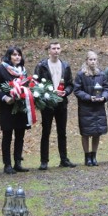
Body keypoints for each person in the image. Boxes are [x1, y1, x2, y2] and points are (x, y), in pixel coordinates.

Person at [33, 41, 76, 170]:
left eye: (58, 48)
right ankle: (44, 161)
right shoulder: (42, 66)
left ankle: (64, 159)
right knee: (46, 132)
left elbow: (70, 84)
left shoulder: (65, 65)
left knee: (62, 132)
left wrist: (66, 92)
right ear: (49, 51)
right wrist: (47, 94)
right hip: (47, 104)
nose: (56, 50)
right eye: (53, 48)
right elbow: (35, 84)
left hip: (62, 103)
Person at [0, 46, 31, 174]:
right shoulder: (0, 69)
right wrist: (4, 97)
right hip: (7, 107)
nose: (17, 57)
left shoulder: (22, 70)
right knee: (7, 136)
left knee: (20, 136)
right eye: (14, 55)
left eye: (19, 54)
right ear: (9, 56)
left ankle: (18, 162)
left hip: (21, 107)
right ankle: (7, 165)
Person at [74, 51, 108, 166]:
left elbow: (106, 89)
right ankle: (87, 157)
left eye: (94, 59)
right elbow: (77, 90)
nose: (93, 61)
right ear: (86, 60)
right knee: (85, 133)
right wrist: (89, 97)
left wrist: (103, 97)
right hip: (86, 108)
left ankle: (94, 156)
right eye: (90, 59)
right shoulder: (81, 75)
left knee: (97, 133)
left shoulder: (102, 74)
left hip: (98, 108)